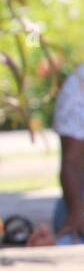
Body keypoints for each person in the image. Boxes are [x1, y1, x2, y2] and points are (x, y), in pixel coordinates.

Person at [52, 63, 84, 243]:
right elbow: (72, 161)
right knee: (68, 243)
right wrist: (77, 210)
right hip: (79, 201)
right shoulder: (79, 85)